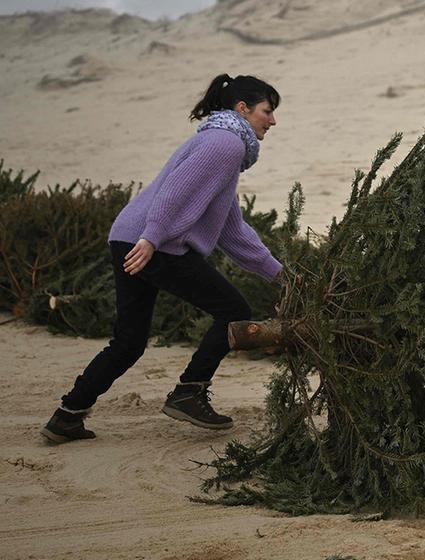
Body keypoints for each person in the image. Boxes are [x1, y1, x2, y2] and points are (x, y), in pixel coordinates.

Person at [41, 74, 283, 443]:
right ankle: (189, 392)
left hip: (129, 238)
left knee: (129, 342)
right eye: (267, 111)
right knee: (233, 310)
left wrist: (280, 274)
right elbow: (174, 192)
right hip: (152, 244)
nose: (273, 120)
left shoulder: (217, 141)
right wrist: (152, 237)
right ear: (242, 109)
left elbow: (231, 229)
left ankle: (67, 417)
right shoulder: (226, 143)